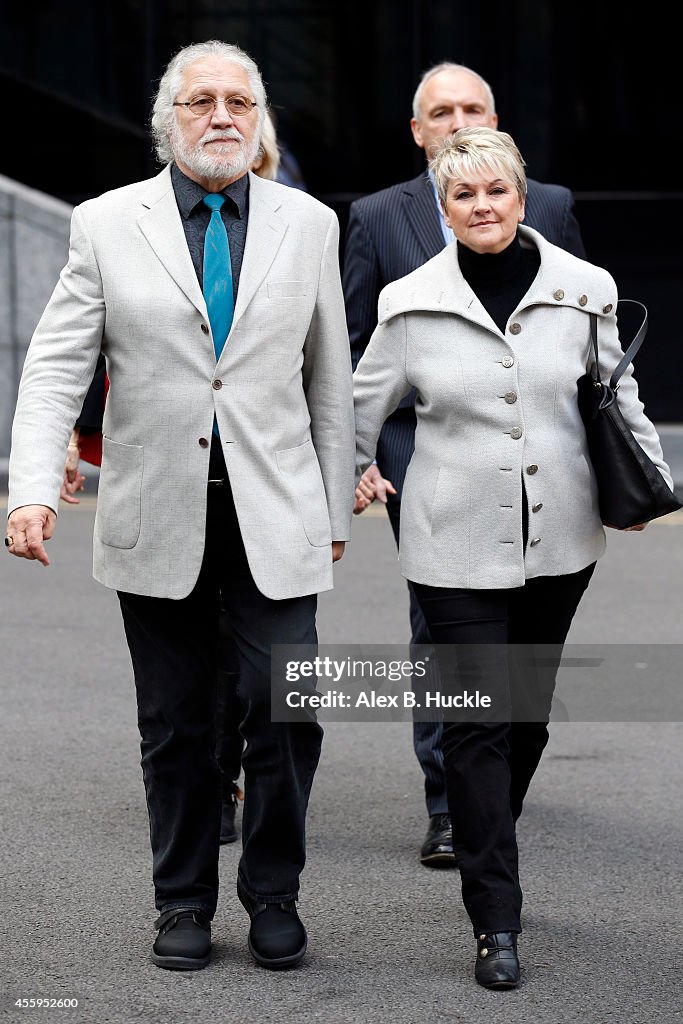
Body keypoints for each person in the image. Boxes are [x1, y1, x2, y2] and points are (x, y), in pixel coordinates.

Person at [6, 39, 355, 972]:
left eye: (239, 100)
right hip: (156, 511)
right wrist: (32, 487)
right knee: (176, 723)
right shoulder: (106, 223)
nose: (222, 116)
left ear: (259, 118)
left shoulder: (308, 223)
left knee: (287, 710)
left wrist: (332, 513)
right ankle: (182, 902)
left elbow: (329, 379)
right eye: (201, 100)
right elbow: (55, 368)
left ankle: (273, 892)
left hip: (275, 515)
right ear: (170, 121)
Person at [352, 126, 674, 988]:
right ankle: (495, 919)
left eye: (496, 192)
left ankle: (488, 826)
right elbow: (357, 404)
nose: (482, 207)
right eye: (463, 196)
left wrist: (650, 482)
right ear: (444, 209)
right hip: (448, 540)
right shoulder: (407, 301)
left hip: (561, 535)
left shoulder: (585, 288)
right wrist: (349, 470)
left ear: (520, 198)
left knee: (523, 718)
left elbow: (616, 391)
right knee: (475, 722)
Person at [343, 61, 586, 868]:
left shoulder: (549, 206)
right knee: (440, 637)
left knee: (526, 652)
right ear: (417, 131)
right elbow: (359, 358)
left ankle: (495, 781)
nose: (455, 119)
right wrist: (369, 459)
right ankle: (449, 803)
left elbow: (586, 345)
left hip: (538, 470)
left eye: (470, 106)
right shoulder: (379, 217)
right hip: (426, 455)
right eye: (438, 111)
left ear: (496, 115)